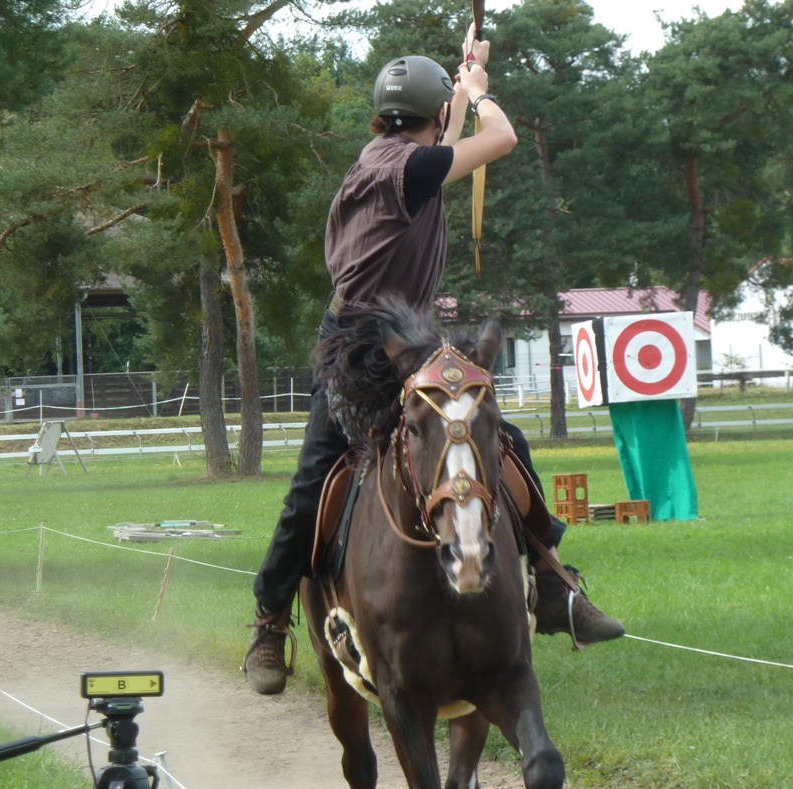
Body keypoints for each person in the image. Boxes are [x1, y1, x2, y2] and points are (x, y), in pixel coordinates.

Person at [244, 30, 624, 695]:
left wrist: (465, 67)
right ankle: (270, 621)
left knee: (498, 440)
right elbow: (497, 139)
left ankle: (555, 586)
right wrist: (481, 94)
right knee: (313, 482)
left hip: (413, 342)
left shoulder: (392, 150)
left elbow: (442, 128)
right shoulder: (408, 167)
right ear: (425, 118)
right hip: (358, 349)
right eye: (441, 110)